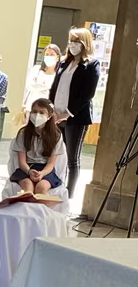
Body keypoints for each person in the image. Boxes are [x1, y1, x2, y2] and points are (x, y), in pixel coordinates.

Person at [49, 27, 100, 198]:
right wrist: (51, 109)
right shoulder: (64, 63)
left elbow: (87, 94)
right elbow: (54, 88)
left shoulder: (91, 65)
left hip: (76, 118)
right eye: (71, 41)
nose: (72, 44)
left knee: (72, 158)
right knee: (57, 155)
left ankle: (68, 194)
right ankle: (56, 187)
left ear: (84, 43)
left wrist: (68, 113)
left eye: (76, 41)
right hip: (56, 115)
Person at [10, 98, 63, 195]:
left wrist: (42, 173)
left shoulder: (56, 135)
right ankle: (26, 203)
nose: (37, 115)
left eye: (42, 112)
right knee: (28, 187)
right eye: (34, 112)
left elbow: (51, 163)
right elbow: (22, 161)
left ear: (49, 116)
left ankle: (43, 205)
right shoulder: (23, 133)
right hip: (27, 168)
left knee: (41, 188)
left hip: (46, 169)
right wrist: (29, 171)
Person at [22, 44, 61, 113]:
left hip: (48, 110)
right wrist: (48, 87)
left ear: (57, 57)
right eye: (47, 54)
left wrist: (40, 87)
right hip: (31, 108)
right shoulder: (36, 69)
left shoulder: (59, 74)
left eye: (52, 55)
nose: (49, 57)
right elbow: (29, 85)